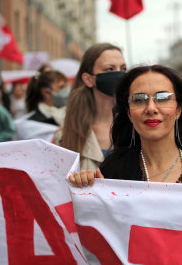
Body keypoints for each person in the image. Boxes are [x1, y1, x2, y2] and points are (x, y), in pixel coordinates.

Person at [68, 64, 182, 197]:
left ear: (178, 110)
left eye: (163, 98)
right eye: (139, 99)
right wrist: (82, 189)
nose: (151, 108)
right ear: (129, 114)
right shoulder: (112, 173)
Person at [54, 42, 127, 170]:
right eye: (110, 69)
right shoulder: (68, 134)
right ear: (88, 79)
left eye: (123, 69)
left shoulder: (136, 126)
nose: (119, 75)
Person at [14, 70, 68, 141]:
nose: (65, 91)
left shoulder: (69, 115)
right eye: (61, 87)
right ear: (46, 92)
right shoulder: (33, 123)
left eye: (65, 87)